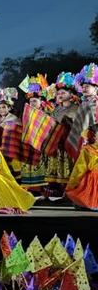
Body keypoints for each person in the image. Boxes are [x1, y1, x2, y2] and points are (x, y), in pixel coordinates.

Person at [44, 72, 81, 200]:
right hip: (57, 144)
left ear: (71, 95)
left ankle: (70, 191)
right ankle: (57, 190)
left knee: (70, 166)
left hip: (70, 143)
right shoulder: (56, 109)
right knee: (56, 166)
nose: (60, 95)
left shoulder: (77, 108)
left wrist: (69, 123)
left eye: (63, 93)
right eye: (58, 93)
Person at [66, 129, 98, 210]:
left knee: (88, 176)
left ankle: (88, 204)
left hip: (92, 181)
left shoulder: (87, 150)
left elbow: (79, 170)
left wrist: (71, 185)